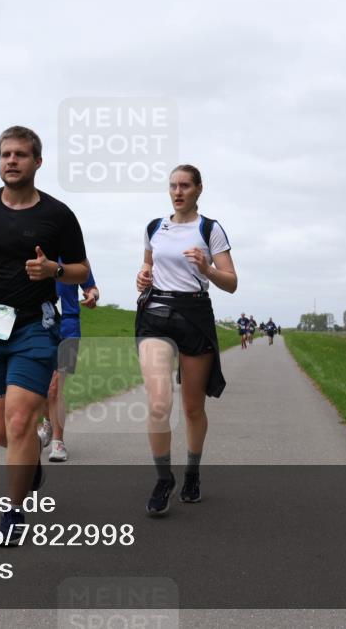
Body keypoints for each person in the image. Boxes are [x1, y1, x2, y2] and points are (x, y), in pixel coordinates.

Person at [0, 126, 90, 545]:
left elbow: (80, 269)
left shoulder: (58, 215)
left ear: (37, 162)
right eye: (6, 154)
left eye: (21, 155)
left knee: (20, 417)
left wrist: (54, 271)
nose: (12, 161)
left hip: (35, 325)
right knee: (0, 433)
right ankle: (29, 461)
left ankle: (13, 513)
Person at [135, 164, 237, 516]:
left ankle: (192, 470)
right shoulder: (154, 228)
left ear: (198, 189)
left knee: (193, 407)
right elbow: (148, 268)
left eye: (184, 186)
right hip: (156, 314)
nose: (177, 192)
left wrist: (207, 268)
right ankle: (164, 479)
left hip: (194, 315)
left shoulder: (210, 229)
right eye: (173, 186)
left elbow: (231, 281)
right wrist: (143, 276)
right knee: (159, 402)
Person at [37, 265, 100, 462]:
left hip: (69, 327)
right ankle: (48, 422)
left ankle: (58, 441)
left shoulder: (73, 254)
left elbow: (91, 287)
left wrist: (93, 296)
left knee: (55, 388)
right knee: (41, 388)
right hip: (40, 325)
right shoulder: (32, 251)